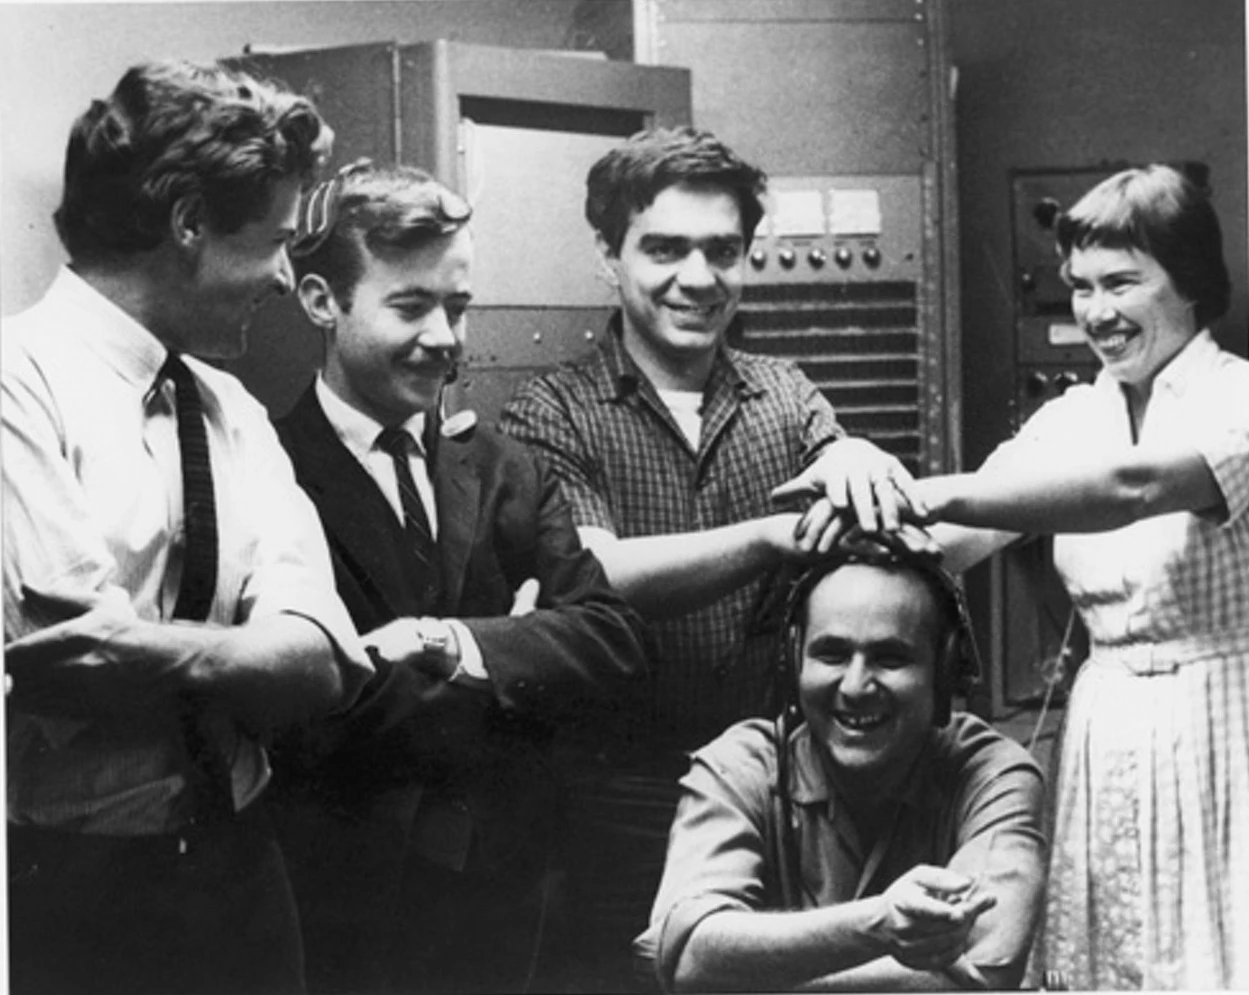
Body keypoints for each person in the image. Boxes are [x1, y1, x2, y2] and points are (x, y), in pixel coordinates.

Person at [781, 163, 1249, 988]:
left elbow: (1131, 487)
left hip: (1222, 722)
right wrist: (856, 473)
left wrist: (930, 489)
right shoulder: (1072, 417)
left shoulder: (1236, 399)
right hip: (1104, 725)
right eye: (1080, 287)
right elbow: (948, 540)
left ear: (1188, 283)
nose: (1095, 311)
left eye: (1121, 283)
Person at [500, 125, 922, 990]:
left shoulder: (788, 397)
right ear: (608, 256)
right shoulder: (550, 412)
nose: (697, 278)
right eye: (664, 249)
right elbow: (593, 577)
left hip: (781, 800)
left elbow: (865, 547)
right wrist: (769, 537)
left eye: (721, 251)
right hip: (615, 808)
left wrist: (857, 459)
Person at [2, 60, 372, 995]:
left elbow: (321, 660)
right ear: (189, 222)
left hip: (243, 874)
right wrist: (240, 652)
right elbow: (72, 661)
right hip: (69, 893)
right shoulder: (15, 384)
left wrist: (156, 652)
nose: (285, 277)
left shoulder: (231, 408)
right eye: (276, 241)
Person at [266, 160, 650, 994]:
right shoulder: (266, 470)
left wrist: (452, 644)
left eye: (458, 306)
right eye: (411, 306)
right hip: (344, 908)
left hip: (510, 904)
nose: (444, 336)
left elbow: (613, 642)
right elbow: (301, 714)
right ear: (322, 301)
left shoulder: (505, 467)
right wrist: (518, 650)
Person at [635, 530, 1047, 992]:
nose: (855, 686)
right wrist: (877, 925)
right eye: (831, 654)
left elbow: (983, 970)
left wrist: (753, 976)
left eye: (890, 658)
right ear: (794, 661)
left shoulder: (992, 772)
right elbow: (690, 958)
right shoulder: (738, 767)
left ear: (943, 670)